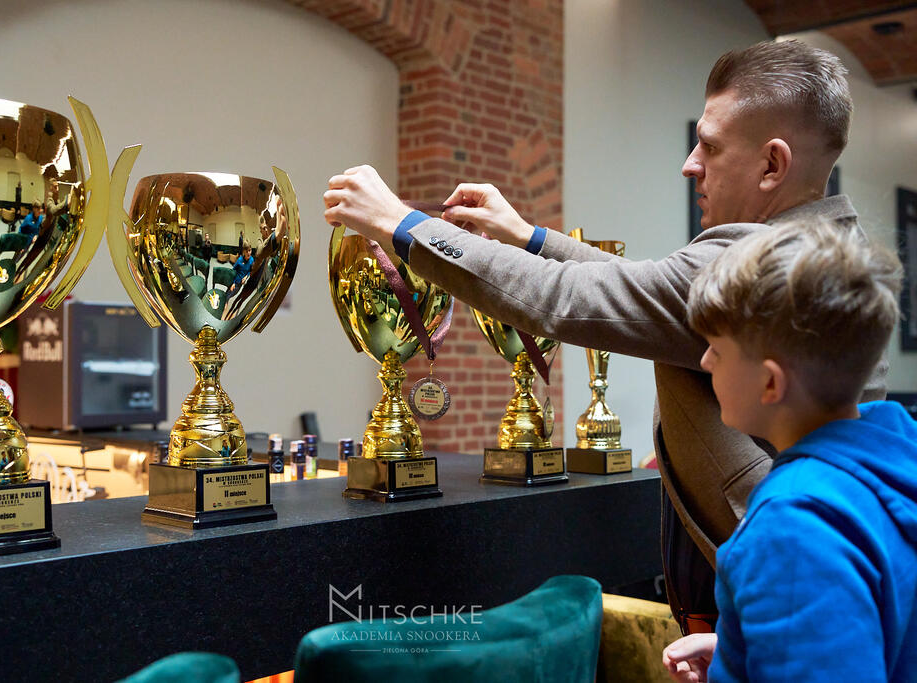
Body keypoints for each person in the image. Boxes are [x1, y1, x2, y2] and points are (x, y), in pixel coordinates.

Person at [322, 39, 887, 632]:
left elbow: (567, 298)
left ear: (772, 165)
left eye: (711, 146)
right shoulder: (823, 249)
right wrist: (527, 237)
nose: (691, 163)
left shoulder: (767, 269)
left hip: (782, 596)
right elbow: (648, 287)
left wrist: (400, 224)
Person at [661, 219, 914, 682]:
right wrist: (747, 647)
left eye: (717, 348)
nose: (704, 361)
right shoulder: (894, 457)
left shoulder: (792, 530)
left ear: (770, 383)